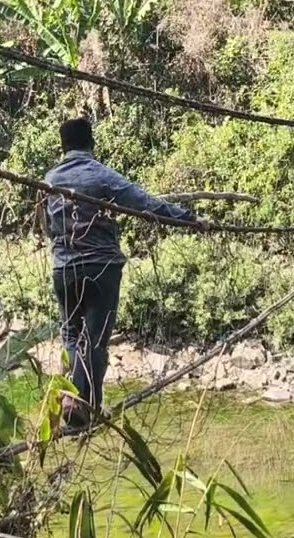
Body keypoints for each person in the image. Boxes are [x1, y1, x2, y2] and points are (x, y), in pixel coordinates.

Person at [43, 118, 199, 426]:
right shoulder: (101, 175)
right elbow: (146, 203)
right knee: (96, 340)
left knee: (72, 337)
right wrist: (189, 219)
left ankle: (74, 403)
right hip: (102, 268)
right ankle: (87, 409)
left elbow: (49, 227)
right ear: (91, 144)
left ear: (62, 146)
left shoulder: (48, 181)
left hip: (65, 270)